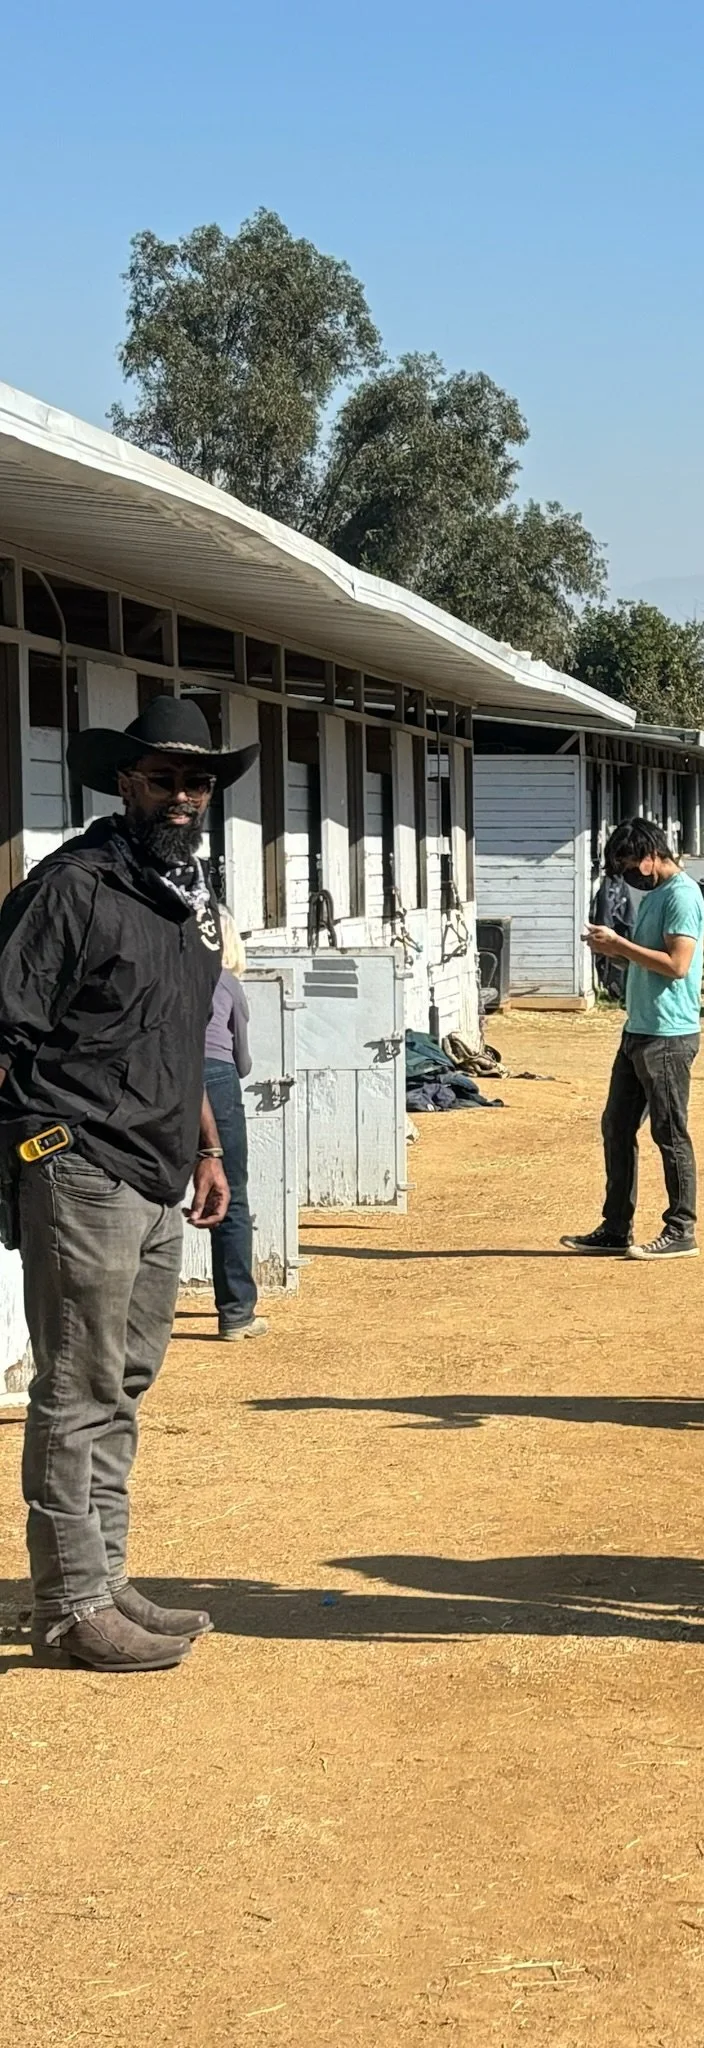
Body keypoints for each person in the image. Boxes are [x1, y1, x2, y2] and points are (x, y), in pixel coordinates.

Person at [0, 696, 240, 1672]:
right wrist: (40, 1145)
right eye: (163, 778)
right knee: (77, 1383)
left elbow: (184, 1039)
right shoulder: (72, 887)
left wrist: (209, 1147)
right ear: (125, 783)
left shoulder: (182, 900)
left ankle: (104, 1572)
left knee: (126, 1381)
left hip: (160, 1169)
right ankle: (68, 1605)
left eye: (196, 781)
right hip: (82, 1169)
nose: (182, 795)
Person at [561, 820, 704, 1261]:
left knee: (670, 1131)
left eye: (628, 864)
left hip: (668, 1034)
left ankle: (681, 1229)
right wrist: (615, 951)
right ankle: (615, 1227)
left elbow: (678, 964)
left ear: (650, 855)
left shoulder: (681, 896)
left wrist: (620, 945)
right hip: (639, 1029)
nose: (626, 873)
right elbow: (649, 962)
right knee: (617, 1126)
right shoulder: (655, 895)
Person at [207, 917, 265, 1342]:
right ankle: (236, 1311)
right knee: (231, 1194)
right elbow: (242, 1060)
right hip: (217, 1079)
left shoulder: (167, 976)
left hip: (167, 1079)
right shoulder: (227, 983)